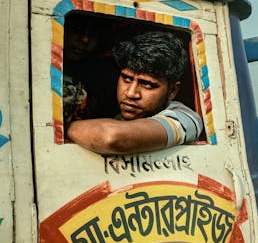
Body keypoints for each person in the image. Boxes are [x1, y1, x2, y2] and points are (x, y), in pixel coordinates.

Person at [66, 31, 203, 154]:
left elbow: (112, 137)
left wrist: (62, 126)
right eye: (126, 78)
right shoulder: (119, 118)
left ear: (172, 91)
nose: (131, 93)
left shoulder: (185, 118)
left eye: (147, 84)